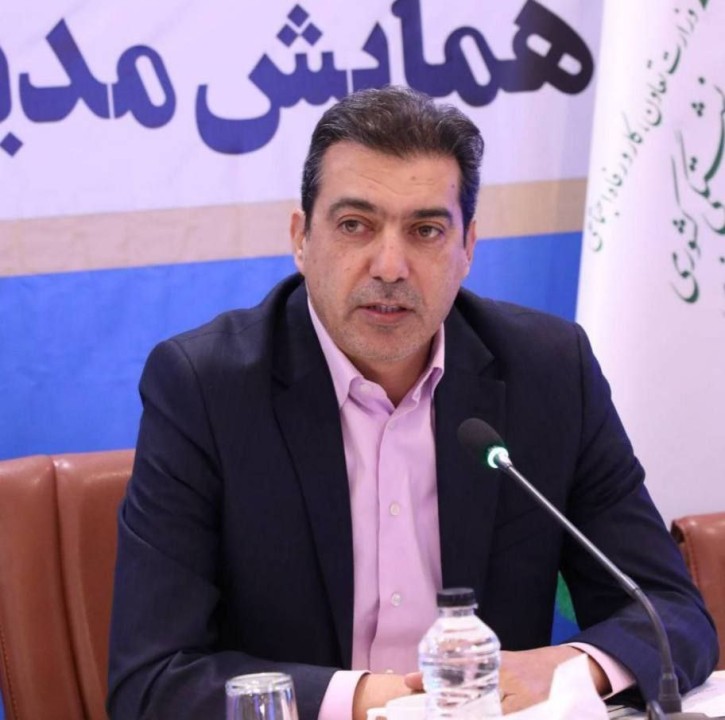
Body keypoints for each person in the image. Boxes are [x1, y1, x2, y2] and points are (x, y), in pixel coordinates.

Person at [107, 86, 718, 720]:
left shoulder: (549, 372)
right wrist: (386, 701)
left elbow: (671, 614)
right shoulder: (206, 389)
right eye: (355, 225)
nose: (390, 266)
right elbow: (152, 681)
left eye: (426, 230)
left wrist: (565, 669)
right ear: (301, 238)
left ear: (467, 247)